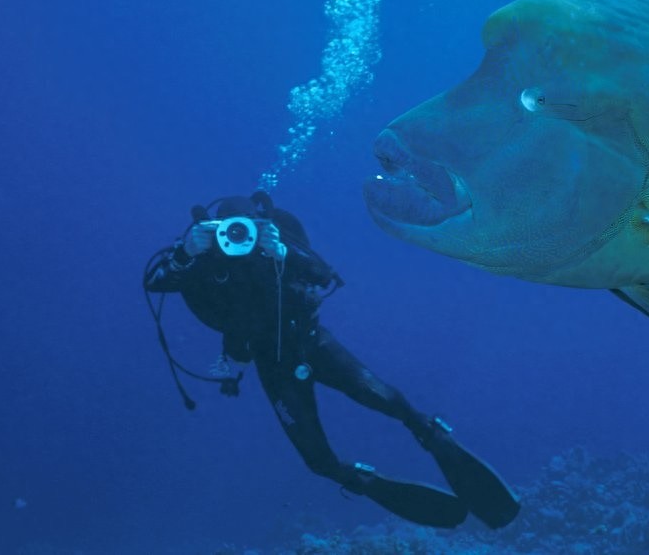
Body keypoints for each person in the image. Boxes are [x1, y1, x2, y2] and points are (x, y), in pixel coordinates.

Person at [143, 191, 520, 529]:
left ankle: (432, 436)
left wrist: (283, 251)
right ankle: (365, 480)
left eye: (246, 228)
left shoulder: (278, 240)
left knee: (388, 400)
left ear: (259, 224)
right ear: (212, 229)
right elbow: (155, 282)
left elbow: (324, 275)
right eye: (227, 229)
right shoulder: (203, 258)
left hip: (313, 344)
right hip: (271, 364)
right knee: (318, 461)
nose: (237, 236)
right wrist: (186, 251)